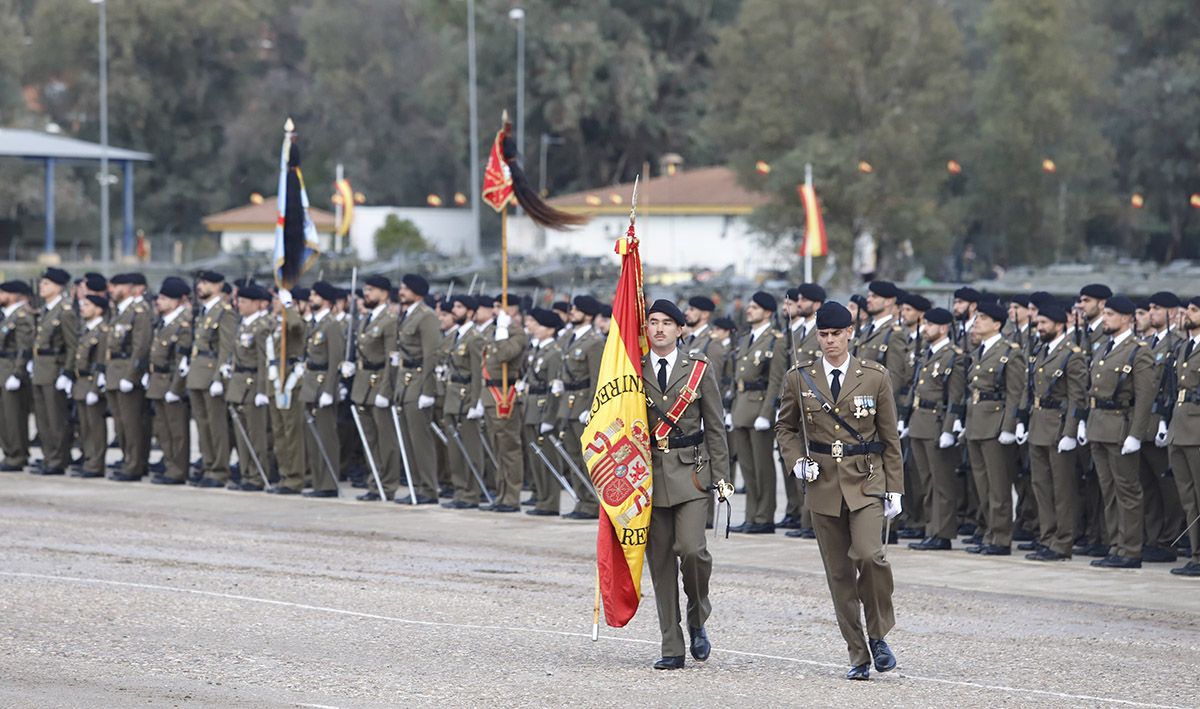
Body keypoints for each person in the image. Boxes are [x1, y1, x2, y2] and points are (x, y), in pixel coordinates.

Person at [775, 301, 903, 681]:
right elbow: (785, 428)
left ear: (850, 333)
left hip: (865, 480)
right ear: (818, 336)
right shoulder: (799, 377)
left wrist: (895, 488)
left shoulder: (875, 376)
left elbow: (889, 436)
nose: (830, 341)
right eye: (824, 335)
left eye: (836, 334)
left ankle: (879, 635)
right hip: (823, 484)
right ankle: (858, 653)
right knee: (840, 574)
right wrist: (797, 462)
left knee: (870, 556)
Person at [642, 300, 728, 670]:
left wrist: (722, 477)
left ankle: (697, 616)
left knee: (693, 551)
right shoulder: (632, 369)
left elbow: (715, 426)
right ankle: (671, 645)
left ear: (681, 329)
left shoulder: (698, 368)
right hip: (647, 477)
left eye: (667, 323)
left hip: (692, 473)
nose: (659, 329)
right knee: (660, 564)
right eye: (652, 322)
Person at [1081, 295, 1155, 569]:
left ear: (1126, 318)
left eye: (1110, 315)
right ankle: (1116, 545)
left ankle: (1131, 550)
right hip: (1099, 426)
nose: (1105, 319)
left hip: (1121, 427)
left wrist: (1136, 434)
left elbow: (1145, 397)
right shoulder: (1104, 349)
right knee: (1108, 490)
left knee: (1127, 491)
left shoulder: (1139, 351)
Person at [1021, 302, 1086, 561]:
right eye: (1038, 323)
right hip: (1039, 424)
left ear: (1060, 325)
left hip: (1058, 427)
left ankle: (1063, 542)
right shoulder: (1042, 350)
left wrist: (1070, 432)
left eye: (1044, 323)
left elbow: (1076, 397)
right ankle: (1047, 537)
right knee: (1041, 486)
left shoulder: (1072, 354)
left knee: (1062, 489)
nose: (1039, 327)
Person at [962, 300, 1026, 555]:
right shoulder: (980, 350)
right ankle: (990, 532)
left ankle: (1001, 538)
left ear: (997, 324)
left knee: (999, 487)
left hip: (996, 424)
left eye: (983, 318)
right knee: (983, 485)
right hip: (977, 422)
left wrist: (1009, 426)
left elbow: (1015, 393)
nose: (977, 322)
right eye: (977, 318)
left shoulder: (1010, 352)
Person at [905, 307, 964, 551]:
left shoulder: (954, 356)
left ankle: (943, 532)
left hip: (937, 424)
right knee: (926, 481)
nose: (925, 329)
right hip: (920, 423)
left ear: (943, 328)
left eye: (929, 325)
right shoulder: (928, 354)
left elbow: (956, 397)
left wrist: (950, 429)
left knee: (942, 483)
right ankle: (931, 528)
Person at [728, 291, 786, 533]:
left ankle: (765, 517)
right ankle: (752, 514)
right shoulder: (745, 339)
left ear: (768, 312)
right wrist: (730, 408)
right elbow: (736, 376)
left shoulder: (776, 340)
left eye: (755, 307)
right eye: (749, 306)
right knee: (748, 469)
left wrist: (767, 413)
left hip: (759, 409)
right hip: (741, 407)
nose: (749, 310)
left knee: (763, 468)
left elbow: (776, 380)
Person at [342, 275, 398, 501]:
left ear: (384, 294)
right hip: (363, 383)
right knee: (369, 439)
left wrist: (386, 390)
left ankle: (388, 484)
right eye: (365, 289)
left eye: (371, 290)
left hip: (379, 383)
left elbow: (391, 358)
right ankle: (374, 482)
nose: (366, 293)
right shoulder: (366, 319)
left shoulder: (389, 320)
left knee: (385, 439)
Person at [392, 274, 441, 504]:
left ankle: (428, 490)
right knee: (408, 440)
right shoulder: (406, 315)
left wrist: (428, 391)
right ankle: (415, 486)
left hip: (419, 381)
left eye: (406, 288)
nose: (401, 291)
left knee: (420, 440)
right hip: (405, 382)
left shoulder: (426, 316)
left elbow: (431, 355)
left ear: (417, 293)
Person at [187, 271, 238, 487]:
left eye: (206, 283)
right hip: (197, 374)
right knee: (203, 425)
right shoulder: (205, 312)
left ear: (218, 286)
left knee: (216, 426)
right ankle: (208, 466)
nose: (200, 286)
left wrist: (218, 377)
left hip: (211, 374)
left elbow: (226, 348)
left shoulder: (224, 312)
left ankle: (219, 470)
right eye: (200, 282)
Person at [558, 295, 606, 519]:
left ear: (587, 314)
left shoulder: (594, 341)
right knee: (572, 456)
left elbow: (597, 378)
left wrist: (591, 407)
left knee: (587, 457)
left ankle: (591, 503)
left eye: (576, 310)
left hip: (582, 403)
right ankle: (581, 500)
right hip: (567, 403)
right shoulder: (569, 337)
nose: (572, 312)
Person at [299, 282, 346, 498]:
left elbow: (336, 359)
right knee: (313, 437)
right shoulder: (315, 324)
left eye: (315, 295)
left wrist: (330, 389)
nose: (311, 297)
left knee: (326, 437)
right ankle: (318, 481)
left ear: (326, 300)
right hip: (310, 383)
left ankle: (328, 484)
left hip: (322, 385)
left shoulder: (331, 325)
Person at [481, 296, 528, 512]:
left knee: (509, 450)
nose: (495, 310)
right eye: (495, 306)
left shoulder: (516, 333)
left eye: (500, 306)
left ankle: (511, 498)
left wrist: (502, 331)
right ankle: (501, 495)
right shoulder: (493, 331)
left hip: (505, 396)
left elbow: (504, 355)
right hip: (491, 395)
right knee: (497, 450)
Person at [106, 273, 153, 482]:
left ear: (129, 288)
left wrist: (132, 375)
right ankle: (128, 460)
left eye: (116, 286)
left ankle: (135, 464)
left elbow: (140, 346)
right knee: (120, 423)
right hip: (114, 371)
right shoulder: (120, 311)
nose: (111, 289)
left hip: (126, 372)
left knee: (131, 422)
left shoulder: (138, 312)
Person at [31, 267, 78, 476]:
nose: (42, 286)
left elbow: (72, 345)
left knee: (55, 418)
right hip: (41, 367)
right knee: (42, 419)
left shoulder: (65, 311)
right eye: (42, 283)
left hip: (54, 369)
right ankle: (49, 456)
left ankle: (58, 459)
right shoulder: (46, 310)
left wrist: (67, 372)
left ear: (58, 287)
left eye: (46, 283)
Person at [146, 277, 193, 485]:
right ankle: (169, 464)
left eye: (164, 298)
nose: (159, 301)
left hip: (171, 383)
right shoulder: (165, 322)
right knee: (163, 430)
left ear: (176, 302)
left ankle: (178, 470)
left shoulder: (182, 325)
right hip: (158, 382)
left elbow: (181, 361)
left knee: (177, 431)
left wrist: (176, 388)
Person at [1166, 296, 1200, 576]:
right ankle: (1196, 553)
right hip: (1180, 427)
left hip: (1197, 429)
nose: (1187, 314)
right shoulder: (1185, 347)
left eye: (1194, 310)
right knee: (1188, 497)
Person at [71, 294, 109, 478]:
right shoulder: (87, 330)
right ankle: (88, 459)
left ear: (99, 309)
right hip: (82, 383)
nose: (83, 308)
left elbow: (101, 363)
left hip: (92, 384)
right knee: (85, 427)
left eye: (87, 305)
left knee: (95, 427)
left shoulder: (102, 331)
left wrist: (95, 388)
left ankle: (96, 463)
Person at [0, 281, 35, 471]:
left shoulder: (22, 316)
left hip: (12, 370)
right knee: (4, 417)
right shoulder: (8, 315)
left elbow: (24, 347)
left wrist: (18, 373)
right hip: (3, 369)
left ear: (14, 295)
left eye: (3, 293)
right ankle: (9, 453)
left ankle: (17, 455)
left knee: (13, 417)